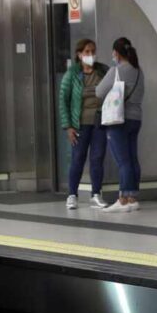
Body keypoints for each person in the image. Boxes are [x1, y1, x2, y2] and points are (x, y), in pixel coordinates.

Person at [59, 38, 110, 209]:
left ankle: (96, 194)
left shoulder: (103, 71)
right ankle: (72, 195)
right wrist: (68, 127)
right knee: (78, 158)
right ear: (79, 54)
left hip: (100, 122)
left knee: (97, 158)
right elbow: (63, 100)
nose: (91, 55)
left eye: (93, 51)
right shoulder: (72, 74)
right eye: (87, 52)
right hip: (79, 123)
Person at [96, 37, 145, 213]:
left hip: (118, 119)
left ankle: (123, 200)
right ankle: (133, 197)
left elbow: (99, 91)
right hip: (135, 119)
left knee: (123, 161)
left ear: (116, 53)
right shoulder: (139, 71)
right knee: (132, 159)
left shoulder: (116, 71)